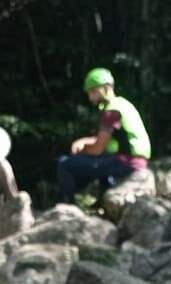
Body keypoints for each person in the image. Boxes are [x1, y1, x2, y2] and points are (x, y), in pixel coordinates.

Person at [57, 67, 152, 203]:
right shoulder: (122, 104)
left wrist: (81, 151)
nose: (90, 97)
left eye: (93, 91)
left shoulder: (111, 111)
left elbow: (98, 148)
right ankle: (103, 198)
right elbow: (110, 139)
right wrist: (84, 141)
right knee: (102, 160)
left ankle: (67, 207)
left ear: (107, 88)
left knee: (64, 164)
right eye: (89, 93)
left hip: (126, 163)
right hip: (134, 161)